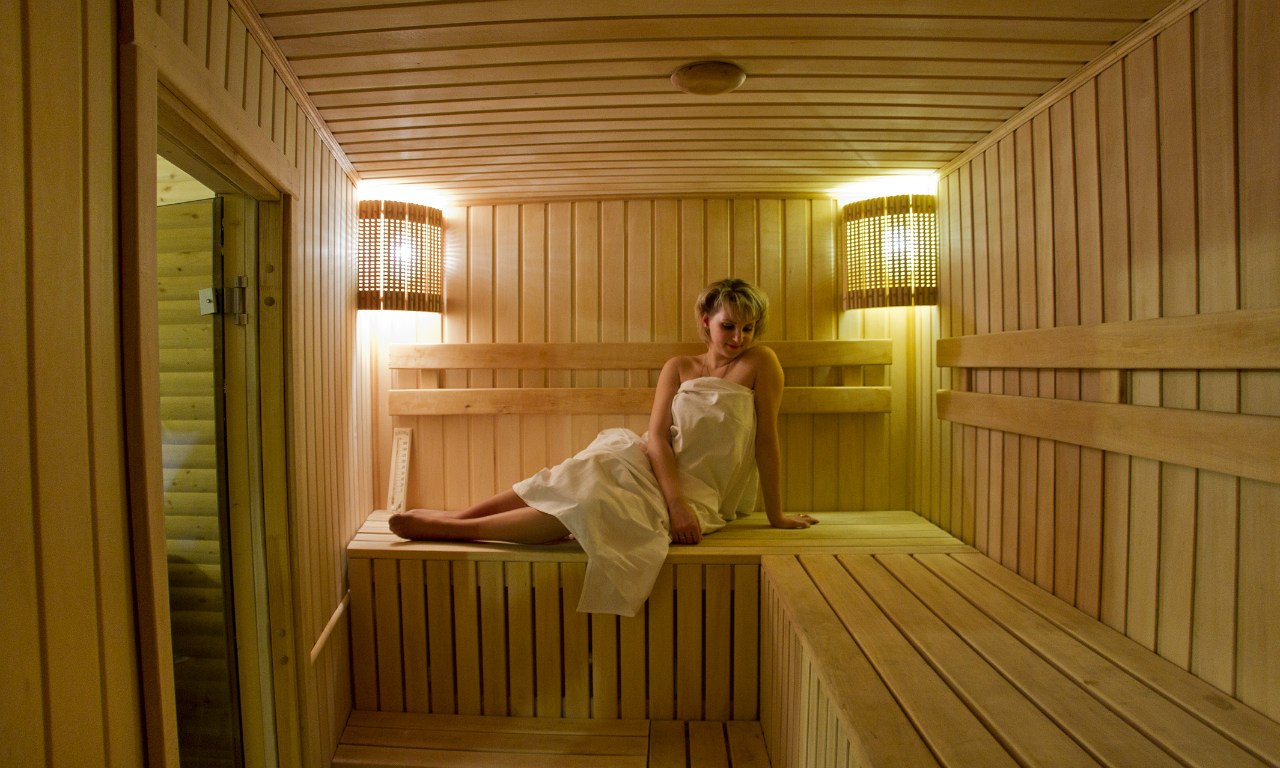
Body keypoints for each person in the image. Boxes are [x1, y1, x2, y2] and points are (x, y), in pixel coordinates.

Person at [388, 278, 817, 615]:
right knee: (580, 473)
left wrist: (775, 516)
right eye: (729, 325)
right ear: (706, 321)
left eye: (748, 328)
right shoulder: (679, 366)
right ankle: (458, 516)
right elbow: (657, 436)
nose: (739, 337)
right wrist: (674, 502)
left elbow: (766, 440)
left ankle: (453, 530)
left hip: (700, 488)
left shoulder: (760, 364)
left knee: (591, 503)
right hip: (655, 465)